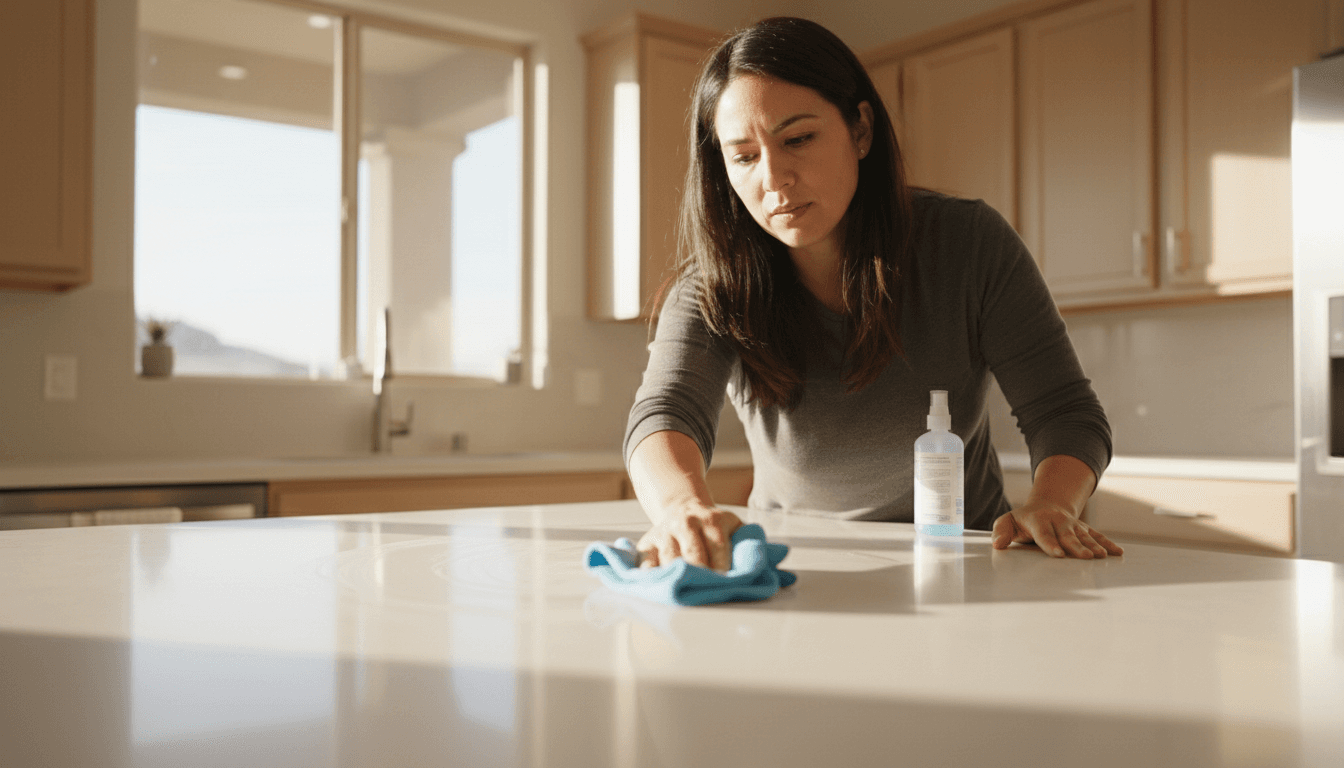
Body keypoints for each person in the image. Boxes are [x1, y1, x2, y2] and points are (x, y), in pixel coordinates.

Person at [624, 16, 1123, 570]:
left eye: (798, 139)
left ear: (861, 130)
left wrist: (1053, 502)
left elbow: (1065, 411)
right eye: (743, 156)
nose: (774, 178)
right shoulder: (712, 286)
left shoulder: (969, 243)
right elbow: (665, 411)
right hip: (802, 561)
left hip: (965, 558)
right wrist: (679, 506)